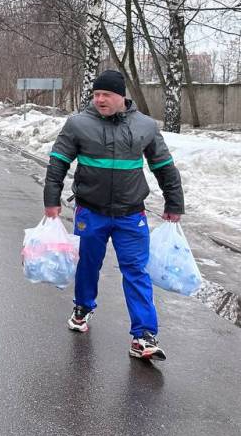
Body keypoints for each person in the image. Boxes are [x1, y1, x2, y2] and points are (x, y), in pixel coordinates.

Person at [43, 69, 184, 360]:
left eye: (106, 94)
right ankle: (83, 307)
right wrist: (51, 200)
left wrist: (174, 203)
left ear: (121, 96)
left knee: (136, 270)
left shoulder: (145, 126)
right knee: (88, 263)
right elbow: (58, 163)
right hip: (90, 211)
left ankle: (143, 335)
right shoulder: (78, 124)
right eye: (96, 94)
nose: (100, 99)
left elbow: (164, 167)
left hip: (131, 214)